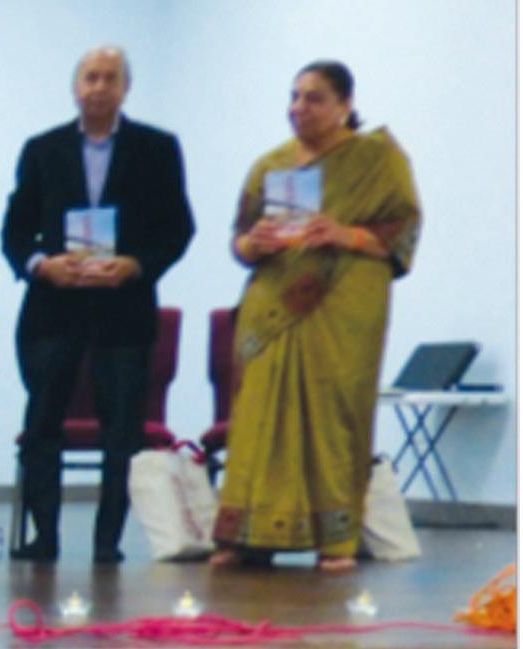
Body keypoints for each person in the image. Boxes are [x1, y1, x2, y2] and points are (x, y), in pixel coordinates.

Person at [212, 60, 419, 572]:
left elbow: (403, 232)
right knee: (258, 416)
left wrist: (345, 234)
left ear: (345, 105)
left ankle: (335, 539)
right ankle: (248, 536)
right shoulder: (270, 165)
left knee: (332, 415)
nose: (299, 108)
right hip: (272, 304)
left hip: (341, 306)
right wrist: (252, 243)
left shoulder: (376, 160)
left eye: (314, 98)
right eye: (295, 96)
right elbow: (239, 238)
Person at [0, 46, 196, 564]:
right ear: (75, 87)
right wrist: (42, 264)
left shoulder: (157, 148)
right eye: (91, 77)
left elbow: (177, 228)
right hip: (53, 308)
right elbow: (15, 231)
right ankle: (44, 537)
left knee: (122, 430)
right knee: (42, 425)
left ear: (125, 89)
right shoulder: (41, 149)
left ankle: (108, 542)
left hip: (123, 308)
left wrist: (137, 264)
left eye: (111, 78)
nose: (100, 87)